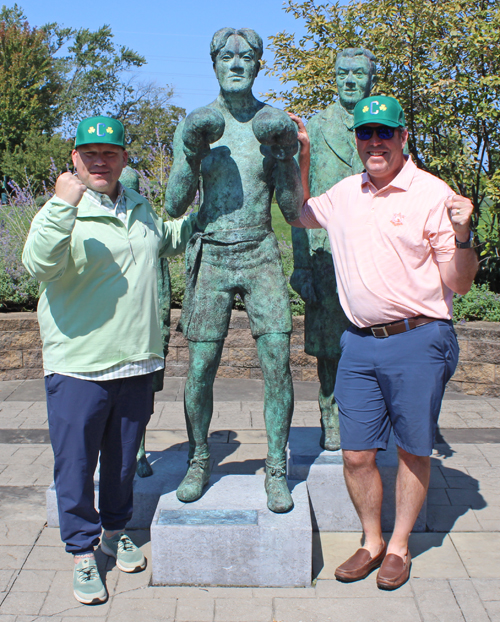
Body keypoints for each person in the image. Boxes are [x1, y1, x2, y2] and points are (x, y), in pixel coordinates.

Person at [290, 96, 478, 589]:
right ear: (357, 140)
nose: (375, 142)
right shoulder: (346, 193)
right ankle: (371, 541)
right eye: (365, 133)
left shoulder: (432, 193)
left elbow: (459, 284)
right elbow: (299, 214)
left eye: (384, 133)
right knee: (356, 454)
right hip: (358, 343)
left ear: (403, 139)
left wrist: (462, 237)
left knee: (414, 450)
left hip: (418, 337)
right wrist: (302, 158)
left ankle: (399, 548)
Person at [22, 116, 195, 605]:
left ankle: (116, 528)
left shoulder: (138, 207)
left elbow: (168, 238)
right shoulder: (62, 210)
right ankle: (81, 551)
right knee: (76, 465)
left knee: (121, 465)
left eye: (110, 152)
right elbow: (37, 265)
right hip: (79, 365)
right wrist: (61, 205)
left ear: (123, 158)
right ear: (75, 158)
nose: (101, 160)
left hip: (135, 363)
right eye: (90, 153)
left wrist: (209, 212)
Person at [164, 27, 303, 513]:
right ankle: (199, 458)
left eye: (247, 57)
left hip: (260, 250)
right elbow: (175, 202)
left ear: (259, 65)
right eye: (227, 57)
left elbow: (291, 210)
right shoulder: (199, 122)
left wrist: (287, 157)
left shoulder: (273, 121)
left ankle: (277, 467)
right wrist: (190, 153)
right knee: (200, 367)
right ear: (215, 64)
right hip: (213, 254)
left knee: (277, 365)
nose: (237, 64)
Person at [290, 48, 376, 451]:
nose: (349, 80)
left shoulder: (382, 127)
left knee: (374, 338)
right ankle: (331, 416)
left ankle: (368, 416)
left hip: (374, 252)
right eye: (343, 73)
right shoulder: (317, 127)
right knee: (330, 348)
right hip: (327, 254)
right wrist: (301, 266)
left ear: (371, 79)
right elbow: (297, 200)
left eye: (358, 73)